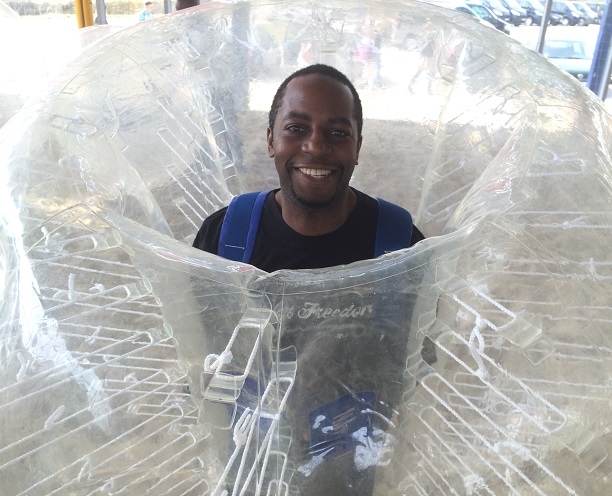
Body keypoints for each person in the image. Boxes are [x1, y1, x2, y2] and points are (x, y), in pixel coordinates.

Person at [193, 63, 424, 272]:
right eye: (296, 128)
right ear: (271, 141)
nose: (316, 147)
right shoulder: (222, 237)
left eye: (338, 133)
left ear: (357, 148)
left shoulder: (402, 246)